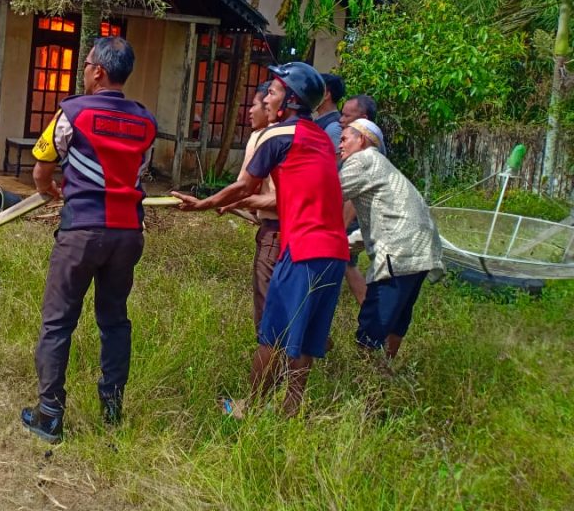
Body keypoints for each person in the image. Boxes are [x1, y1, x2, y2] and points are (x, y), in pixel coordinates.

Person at [172, 62, 348, 417]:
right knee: (307, 336)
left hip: (303, 249)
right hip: (335, 251)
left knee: (273, 332)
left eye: (273, 91)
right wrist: (242, 203)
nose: (266, 97)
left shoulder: (277, 135)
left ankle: (249, 408)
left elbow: (245, 184)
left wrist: (203, 203)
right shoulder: (321, 141)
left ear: (291, 100)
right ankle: (291, 409)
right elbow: (297, 193)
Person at [21, 36, 157, 444]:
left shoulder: (72, 113)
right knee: (114, 321)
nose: (83, 71)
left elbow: (42, 167)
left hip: (82, 231)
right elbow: (139, 171)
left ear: (98, 71)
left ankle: (49, 415)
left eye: (86, 65)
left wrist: (51, 192)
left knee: (58, 321)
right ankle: (112, 409)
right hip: (128, 234)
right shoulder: (147, 123)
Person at [338, 118, 444, 360]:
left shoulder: (362, 160)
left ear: (361, 139)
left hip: (398, 251)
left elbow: (327, 193)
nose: (340, 145)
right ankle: (385, 369)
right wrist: (345, 245)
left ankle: (366, 383)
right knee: (398, 319)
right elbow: (386, 223)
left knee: (373, 323)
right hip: (422, 251)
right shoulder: (383, 166)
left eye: (344, 139)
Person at [234, 81, 280, 330]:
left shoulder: (264, 136)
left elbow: (244, 187)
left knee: (267, 307)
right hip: (301, 232)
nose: (250, 111)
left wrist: (209, 202)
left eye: (254, 105)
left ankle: (272, 361)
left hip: (275, 230)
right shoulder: (301, 134)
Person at [338, 91, 380, 304]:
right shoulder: (367, 146)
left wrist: (340, 226)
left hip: (358, 218)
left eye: (347, 116)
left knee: (344, 261)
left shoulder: (364, 153)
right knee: (345, 263)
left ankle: (369, 310)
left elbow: (354, 196)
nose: (341, 120)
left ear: (363, 120)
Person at [314, 73, 345, 149]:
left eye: (315, 90)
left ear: (326, 94)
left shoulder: (334, 127)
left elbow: (337, 159)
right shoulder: (321, 120)